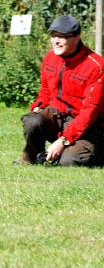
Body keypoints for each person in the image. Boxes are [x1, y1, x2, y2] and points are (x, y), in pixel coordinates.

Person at [15, 14, 104, 166]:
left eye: (62, 37)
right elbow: (45, 90)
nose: (55, 41)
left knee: (69, 161)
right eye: (53, 36)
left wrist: (63, 141)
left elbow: (89, 114)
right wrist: (38, 107)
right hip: (58, 115)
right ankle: (29, 158)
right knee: (32, 120)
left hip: (88, 126)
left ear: (76, 38)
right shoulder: (50, 58)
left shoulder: (97, 67)